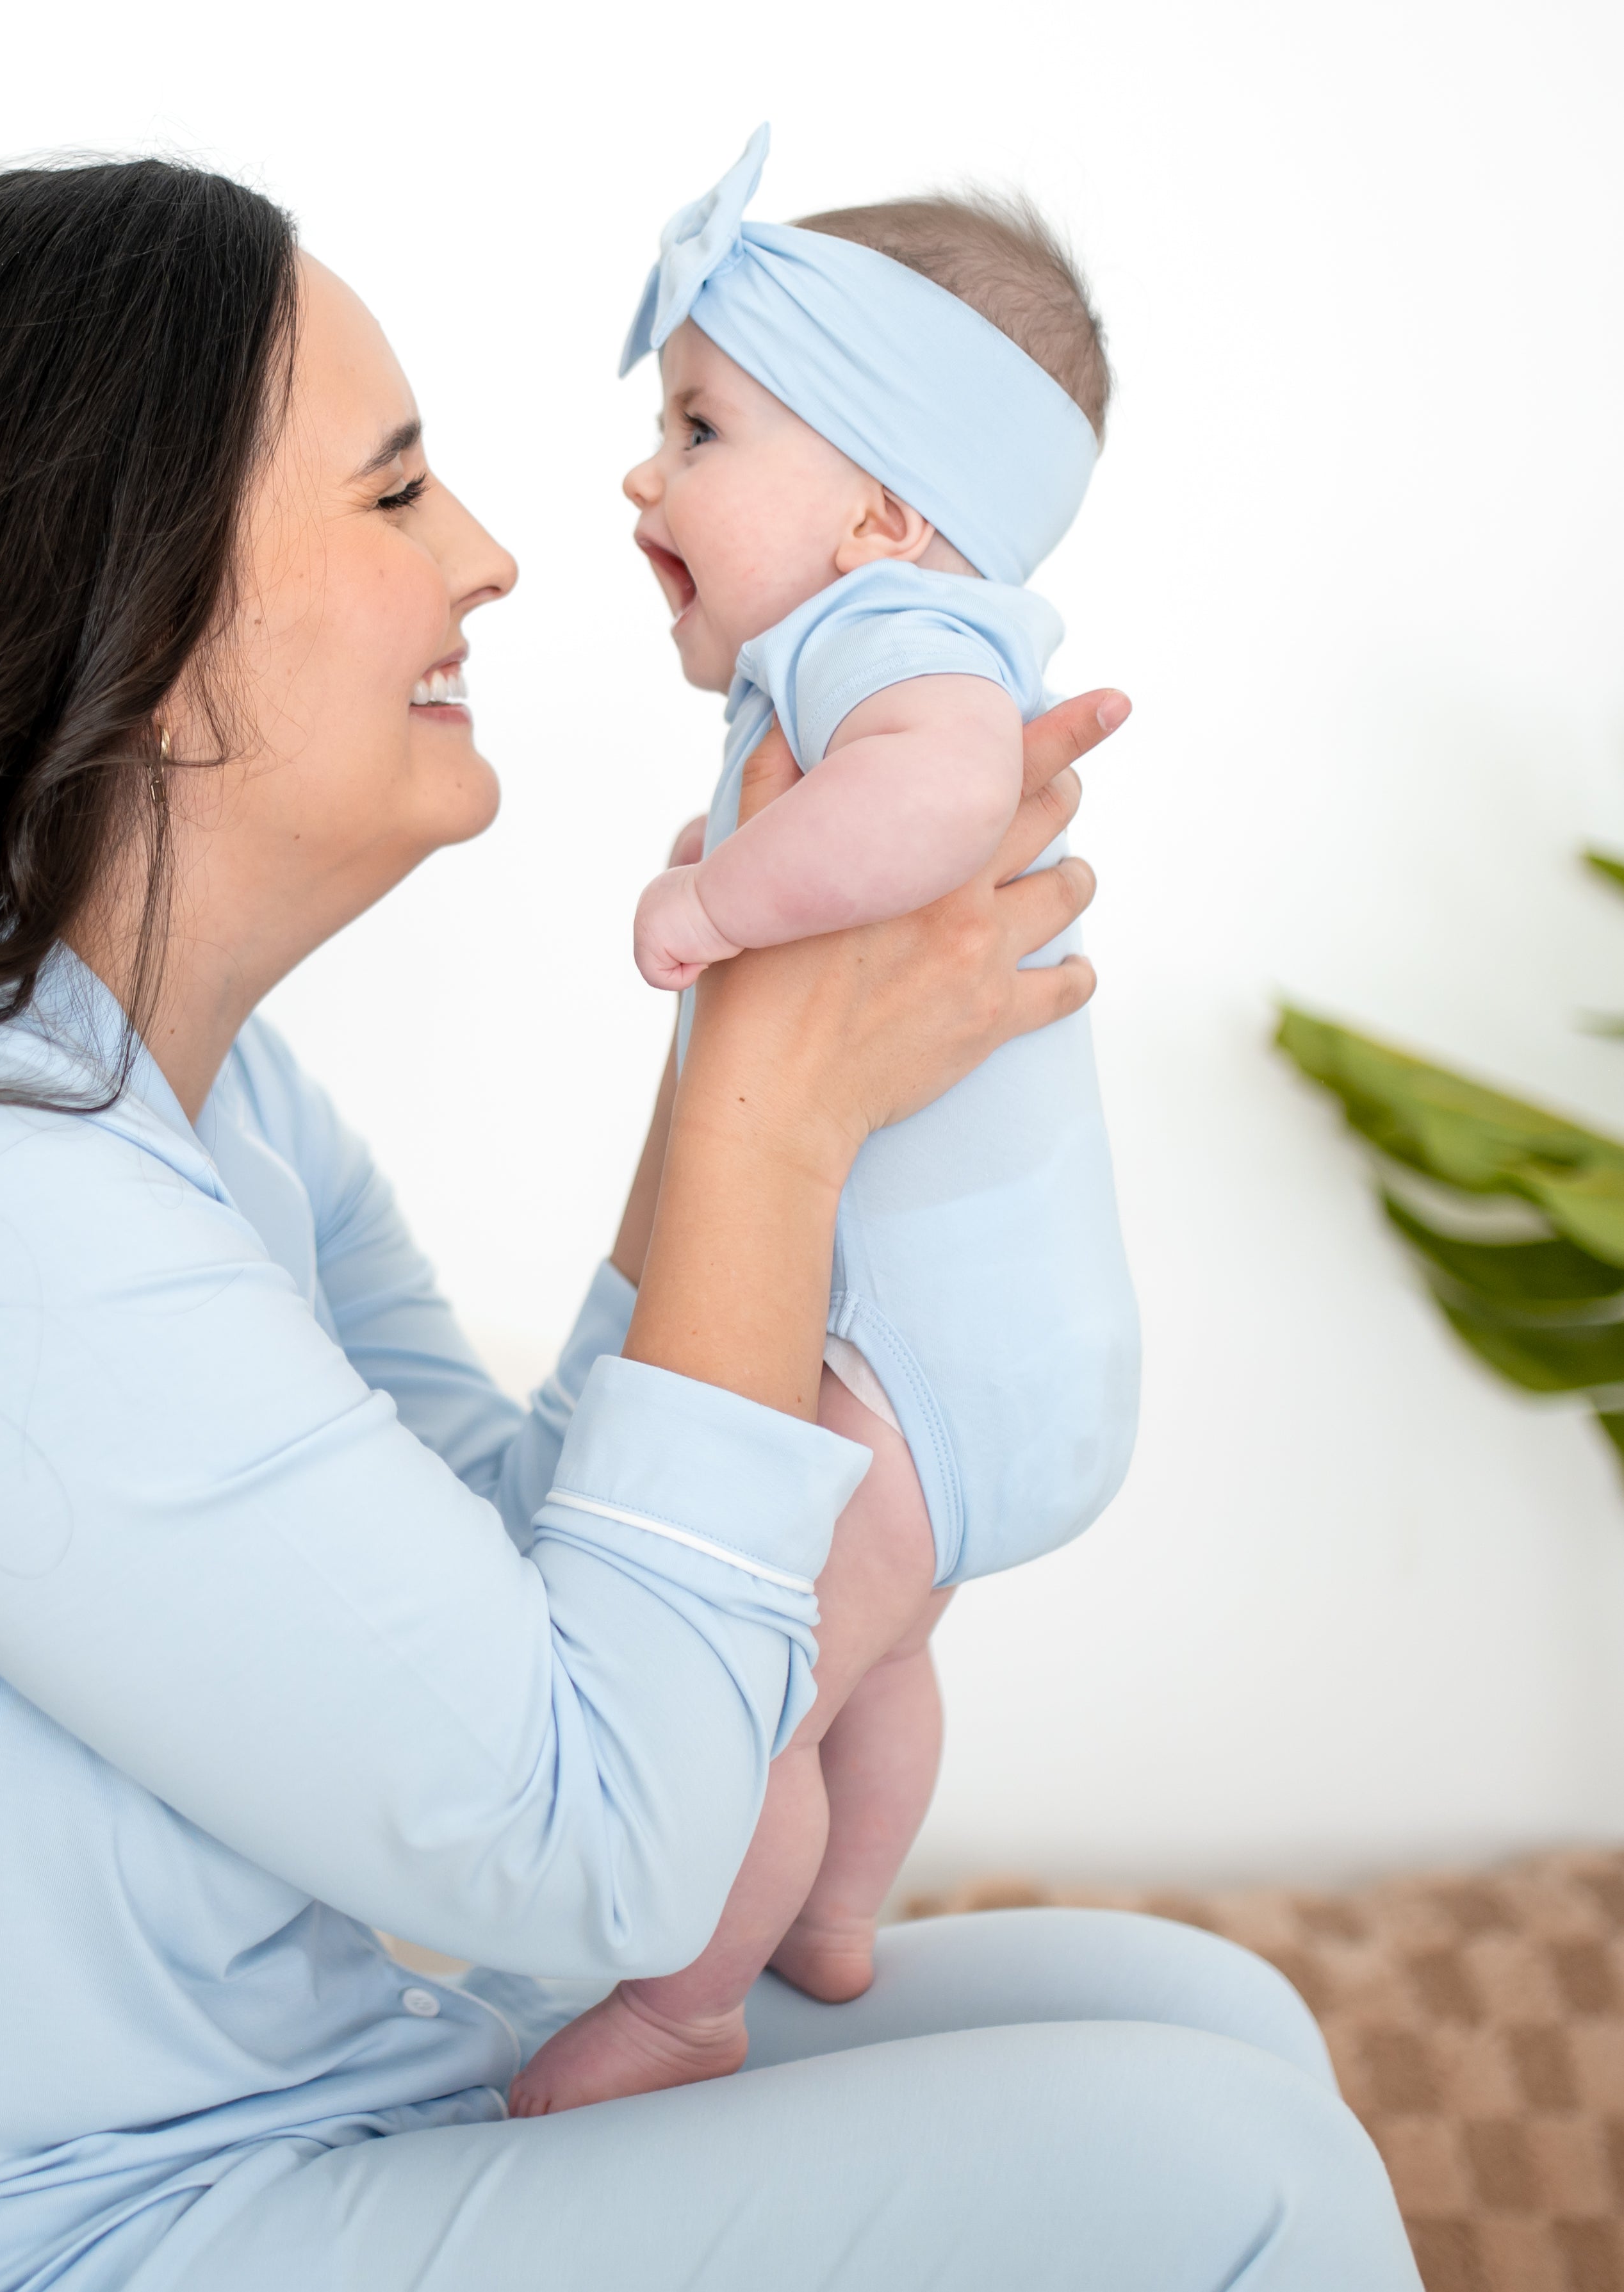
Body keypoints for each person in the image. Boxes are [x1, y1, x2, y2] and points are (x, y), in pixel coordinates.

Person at [0, 158, 1418, 2290]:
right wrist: (774, 1116)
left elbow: (528, 1598)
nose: (499, 557)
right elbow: (601, 1839)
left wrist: (752, 1066)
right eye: (399, 491)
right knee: (1209, 2172)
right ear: (132, 618)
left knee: (1208, 2020)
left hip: (288, 2112)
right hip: (12, 2243)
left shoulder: (206, 1111)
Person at [513, 126, 1140, 2113]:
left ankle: (688, 2000)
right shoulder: (877, 644)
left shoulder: (893, 648)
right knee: (873, 1656)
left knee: (749, 1689)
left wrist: (715, 898)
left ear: (880, 509)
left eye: (699, 429)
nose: (644, 474)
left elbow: (947, 803)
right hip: (979, 1370)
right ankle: (840, 1911)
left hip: (921, 1367)